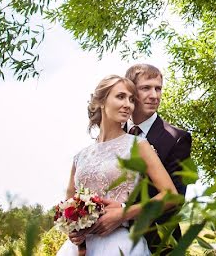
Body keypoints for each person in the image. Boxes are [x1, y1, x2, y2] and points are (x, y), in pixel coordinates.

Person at [55, 75, 178, 256]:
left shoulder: (139, 145)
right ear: (102, 102)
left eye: (131, 99)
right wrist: (73, 231)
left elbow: (171, 196)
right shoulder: (81, 156)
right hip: (78, 249)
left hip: (118, 244)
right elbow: (68, 204)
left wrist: (124, 214)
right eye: (120, 97)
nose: (128, 105)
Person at [123, 63, 192, 252]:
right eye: (146, 88)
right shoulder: (113, 133)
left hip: (158, 243)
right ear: (130, 91)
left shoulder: (177, 139)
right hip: (110, 239)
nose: (154, 95)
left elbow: (176, 199)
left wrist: (122, 215)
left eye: (158, 88)